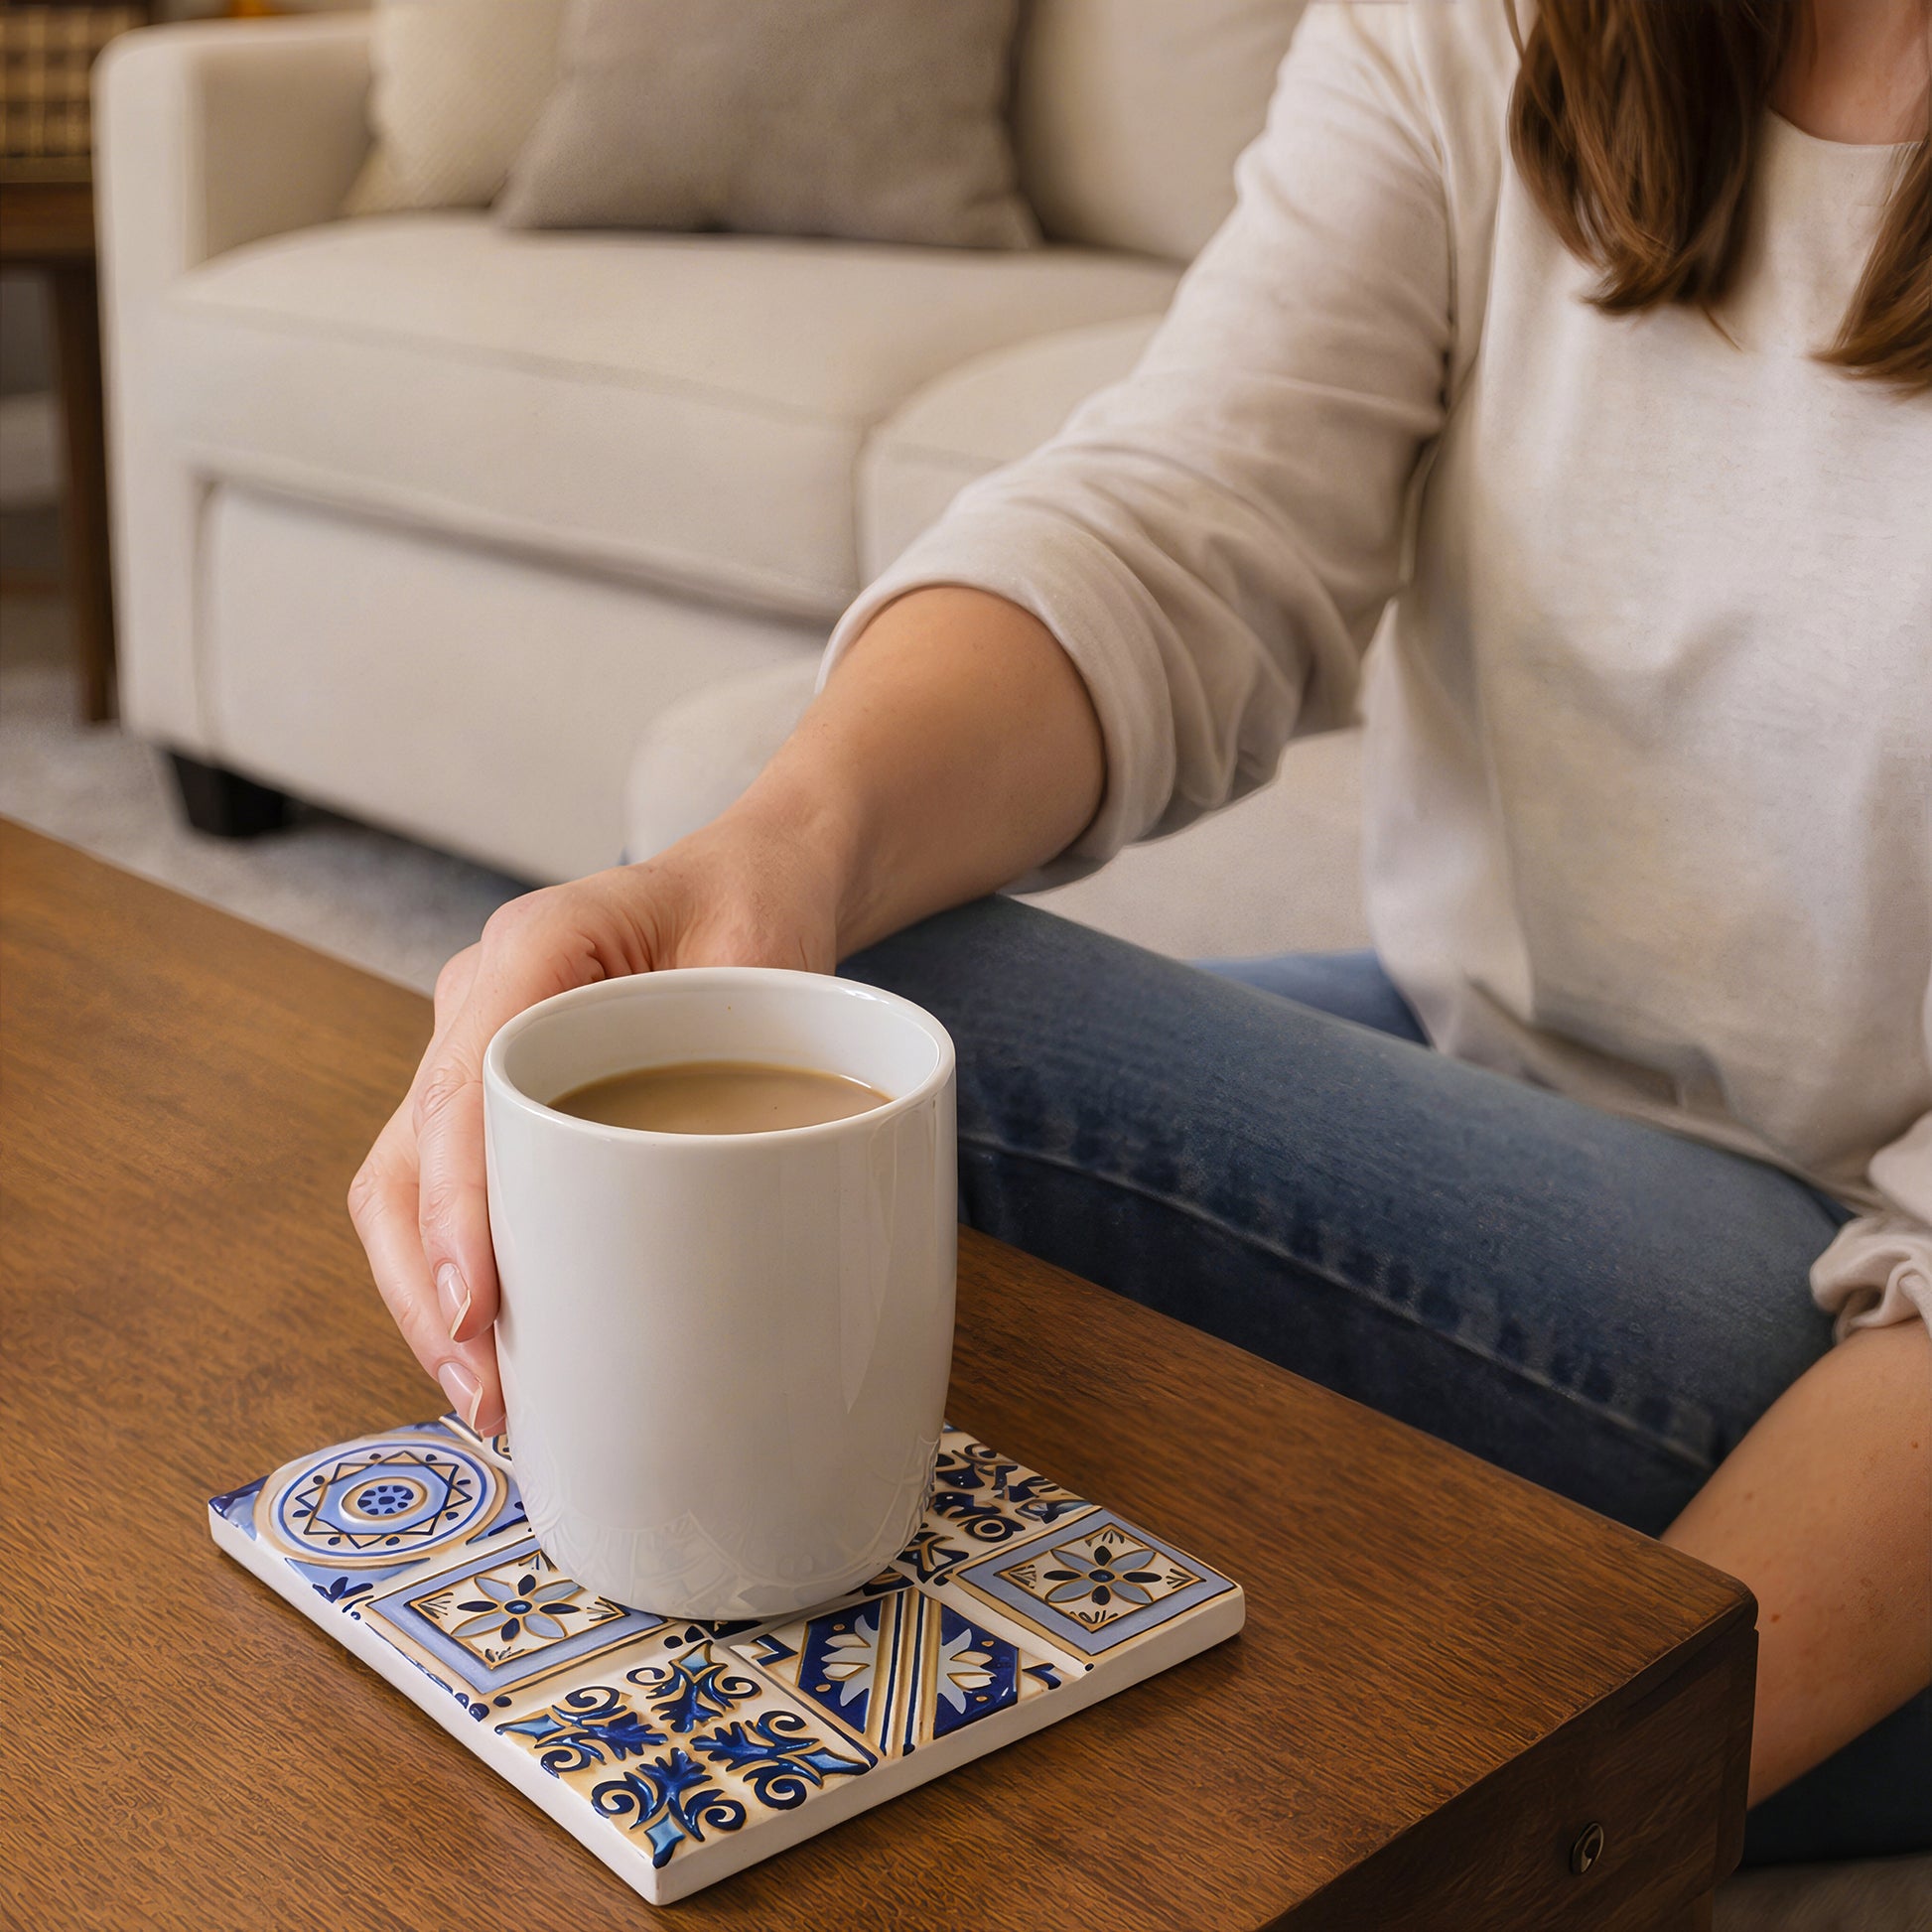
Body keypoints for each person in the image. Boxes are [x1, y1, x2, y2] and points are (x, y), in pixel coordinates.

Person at [348, 0, 1931, 1866]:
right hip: (1519, 1059)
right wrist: (780, 844)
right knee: (809, 979)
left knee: (922, 1054)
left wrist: (1562, 1826)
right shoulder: (1495, 28)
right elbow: (1194, 510)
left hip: (1868, 1298)